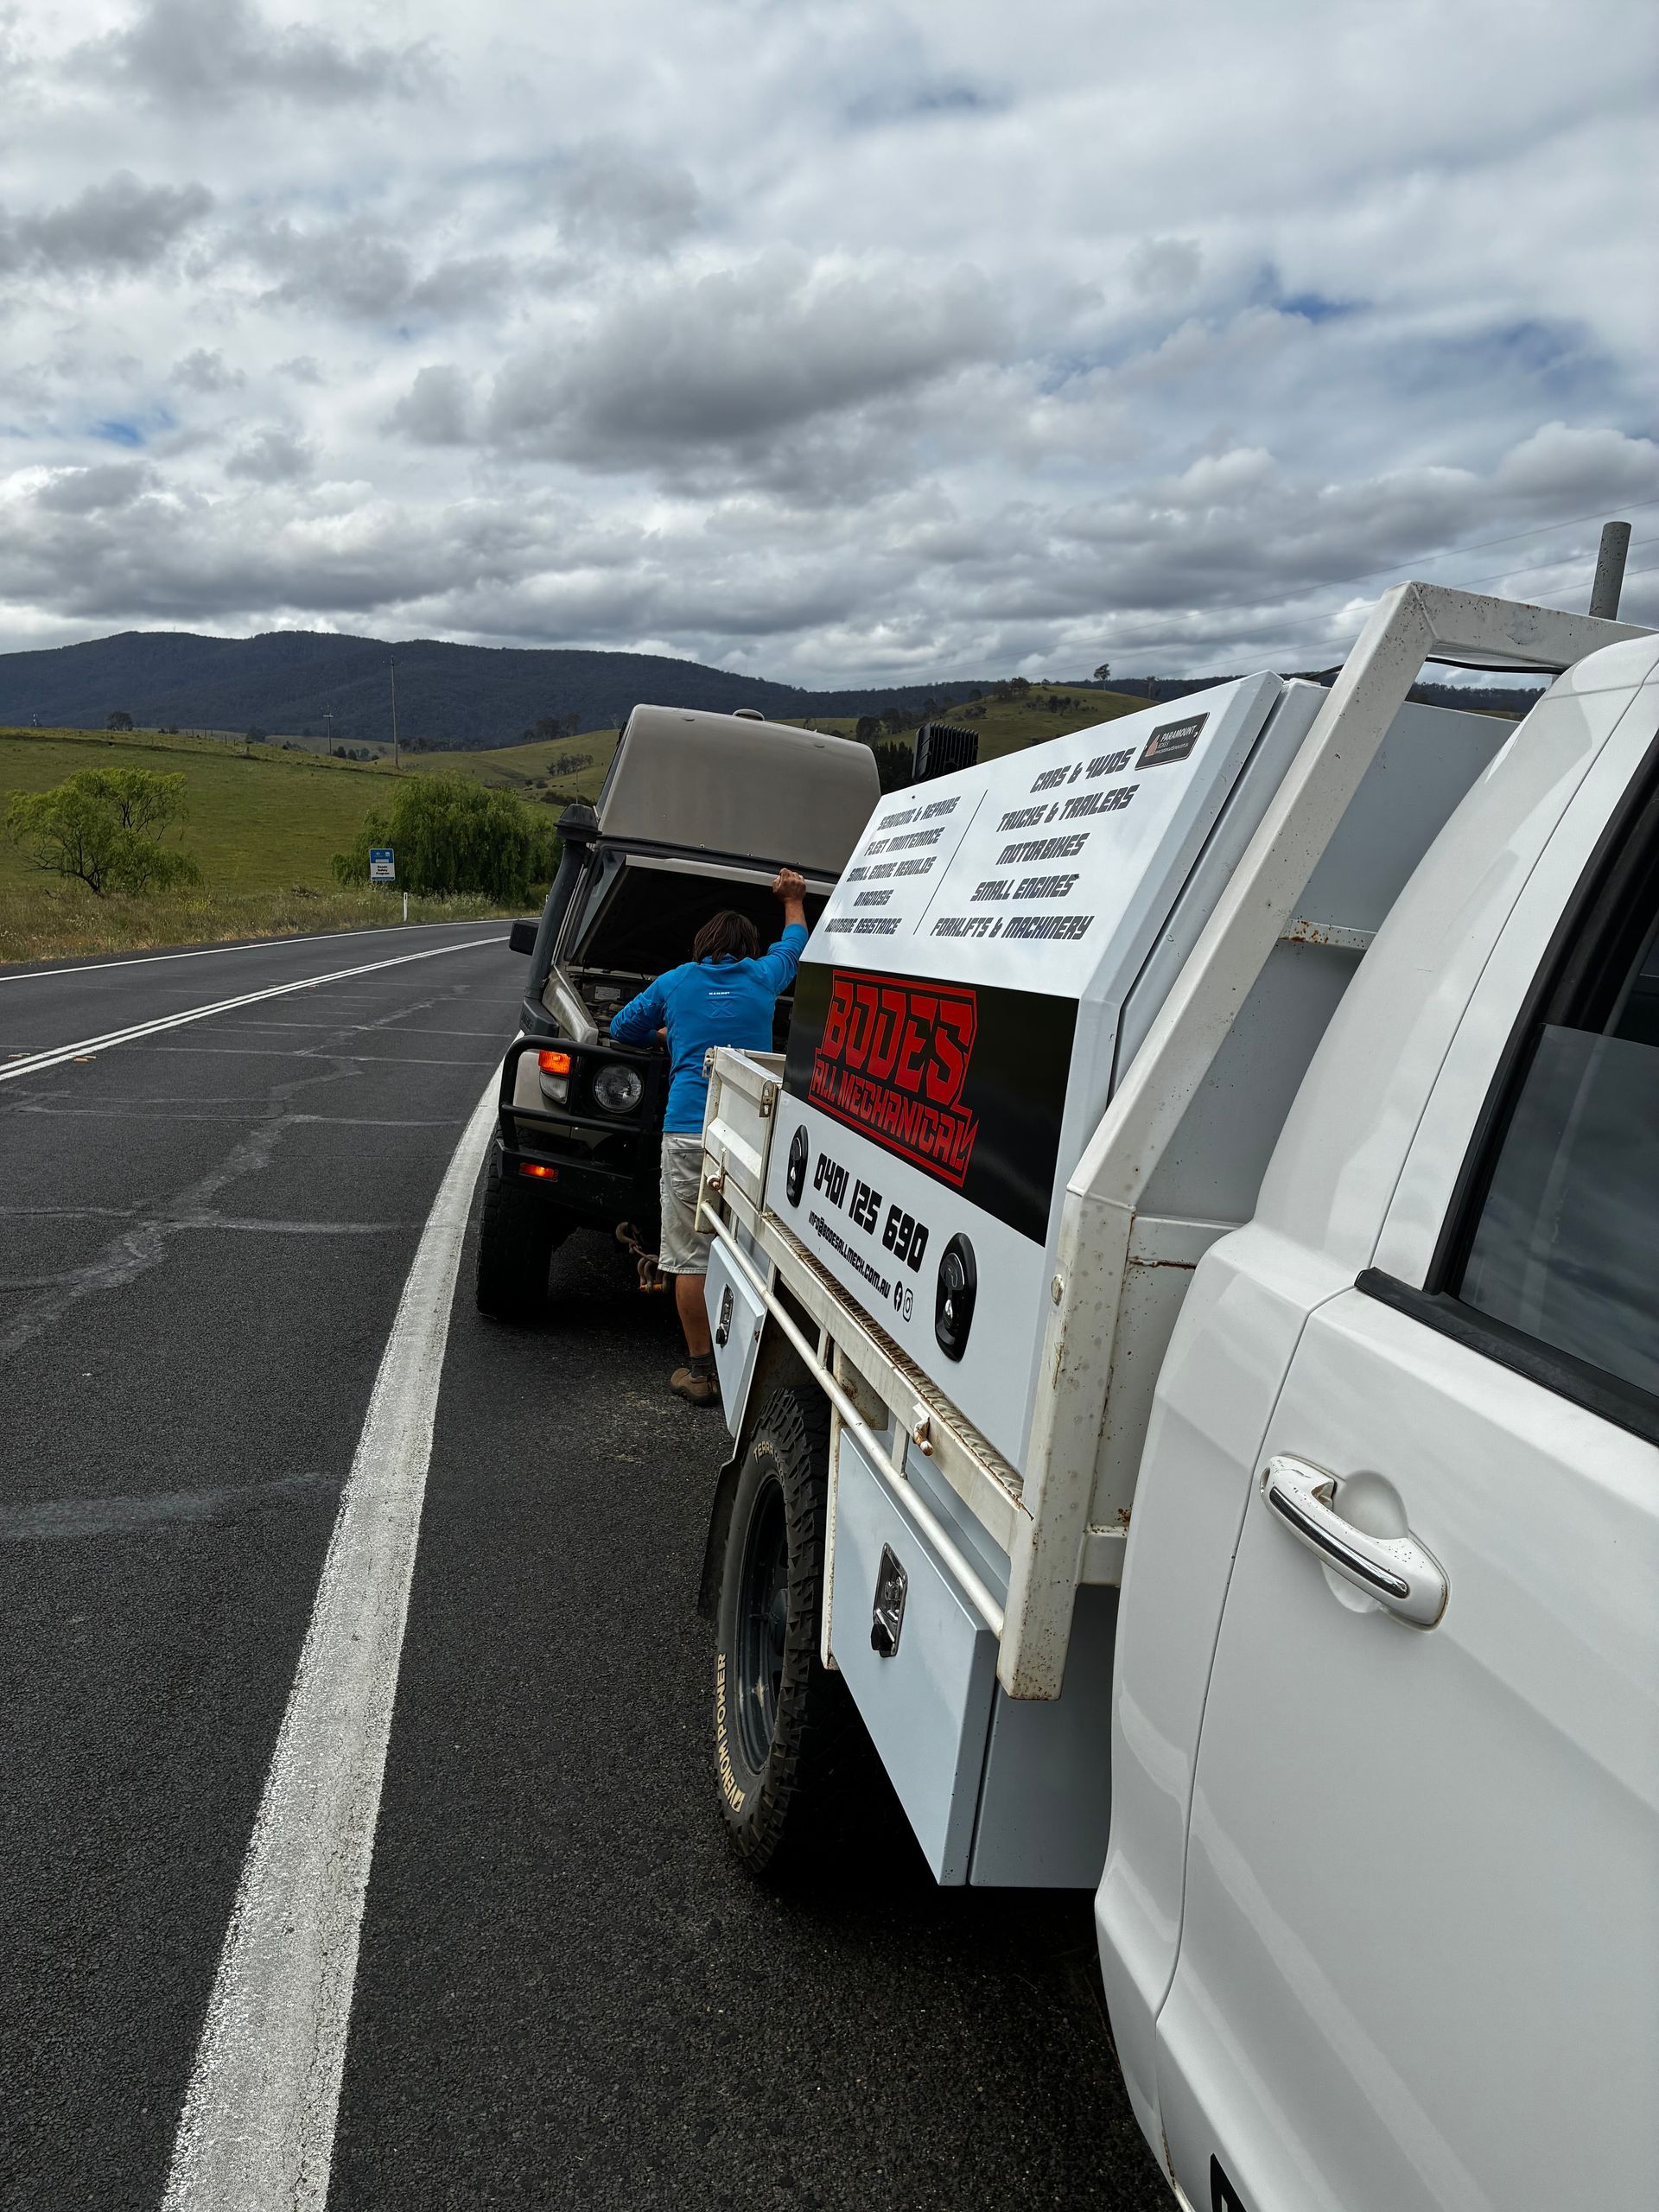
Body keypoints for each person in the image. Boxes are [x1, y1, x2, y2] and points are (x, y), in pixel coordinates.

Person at [610, 868, 809, 1406]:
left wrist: (665, 1033)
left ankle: (702, 1373)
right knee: (748, 1250)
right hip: (750, 1136)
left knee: (690, 1256)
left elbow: (622, 1028)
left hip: (687, 1136)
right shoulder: (764, 977)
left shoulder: (676, 981)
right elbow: (794, 944)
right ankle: (753, 1372)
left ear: (703, 947)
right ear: (747, 949)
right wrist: (792, 899)